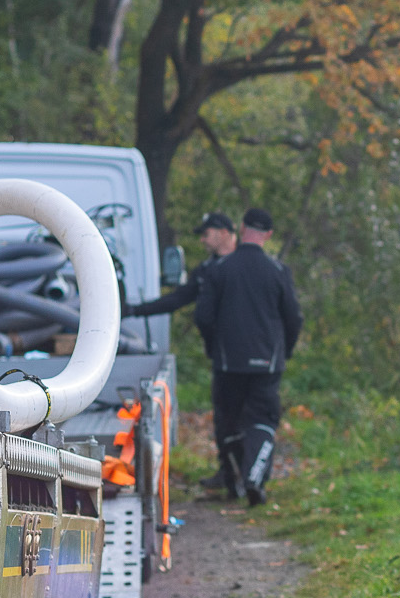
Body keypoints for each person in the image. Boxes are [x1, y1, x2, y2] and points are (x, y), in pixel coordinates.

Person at [122, 212, 242, 493]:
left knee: (246, 416)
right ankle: (228, 472)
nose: (202, 239)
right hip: (221, 355)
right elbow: (178, 299)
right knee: (224, 415)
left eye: (207, 233)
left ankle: (247, 474)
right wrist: (136, 310)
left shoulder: (242, 266)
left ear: (224, 232)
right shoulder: (206, 271)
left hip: (247, 354)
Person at [193, 207, 301, 506]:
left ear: (241, 229)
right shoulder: (278, 271)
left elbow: (203, 316)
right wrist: (285, 350)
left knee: (228, 420)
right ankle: (255, 478)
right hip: (268, 361)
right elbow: (293, 318)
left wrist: (214, 346)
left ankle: (234, 481)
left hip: (228, 362)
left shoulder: (220, 269)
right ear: (268, 235)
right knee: (262, 420)